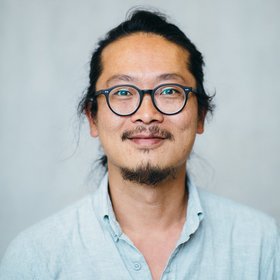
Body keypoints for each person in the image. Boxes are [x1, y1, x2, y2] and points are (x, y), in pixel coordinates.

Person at [0, 9, 279, 280]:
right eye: (122, 92)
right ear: (93, 118)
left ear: (201, 116)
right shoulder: (35, 258)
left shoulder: (262, 244)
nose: (147, 114)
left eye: (170, 90)